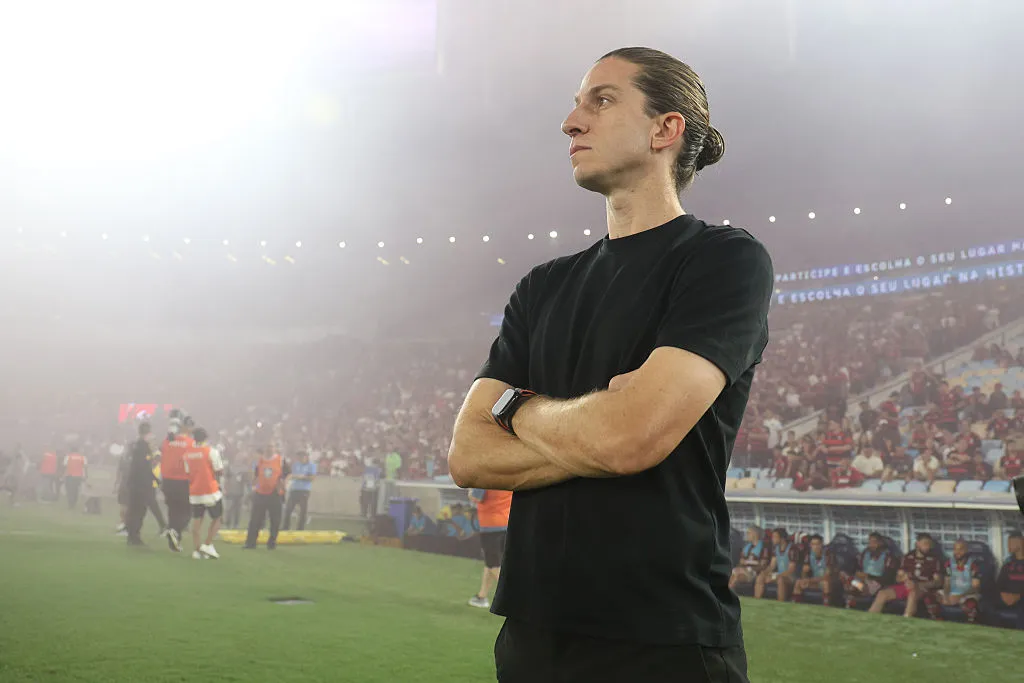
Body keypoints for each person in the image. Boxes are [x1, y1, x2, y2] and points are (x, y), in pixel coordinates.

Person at [448, 47, 770, 682]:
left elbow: (629, 439)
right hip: (531, 635)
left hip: (663, 639)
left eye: (601, 100)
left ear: (665, 129)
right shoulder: (541, 286)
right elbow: (469, 456)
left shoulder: (723, 260)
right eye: (576, 104)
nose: (572, 121)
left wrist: (515, 409)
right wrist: (602, 428)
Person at [869, 533, 944, 617]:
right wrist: (903, 578)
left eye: (929, 545)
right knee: (882, 593)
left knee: (913, 593)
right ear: (917, 544)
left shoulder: (934, 560)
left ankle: (906, 617)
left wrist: (919, 584)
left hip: (922, 588)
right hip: (906, 585)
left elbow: (938, 582)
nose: (927, 547)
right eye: (925, 544)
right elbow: (898, 578)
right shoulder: (908, 557)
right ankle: (870, 617)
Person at [467, 488, 512, 609]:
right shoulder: (509, 477)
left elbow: (476, 497)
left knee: (493, 564)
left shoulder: (486, 478)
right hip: (507, 523)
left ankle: (516, 594)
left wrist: (470, 489)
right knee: (491, 563)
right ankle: (481, 597)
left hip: (491, 525)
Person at [184, 428, 224, 560]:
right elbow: (219, 470)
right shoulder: (211, 451)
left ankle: (196, 551)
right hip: (210, 490)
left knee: (197, 520)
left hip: (195, 491)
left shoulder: (187, 454)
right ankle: (207, 544)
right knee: (217, 518)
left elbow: (188, 472)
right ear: (206, 438)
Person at [159, 415, 195, 552]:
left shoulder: (167, 441)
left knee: (173, 511)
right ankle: (175, 531)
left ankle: (174, 542)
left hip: (167, 481)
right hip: (183, 480)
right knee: (187, 511)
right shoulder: (190, 443)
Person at [244, 446, 289, 550]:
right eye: (268, 447)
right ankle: (250, 543)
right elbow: (256, 475)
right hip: (261, 493)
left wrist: (284, 483)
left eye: (271, 447)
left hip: (275, 493)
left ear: (274, 449)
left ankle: (271, 543)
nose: (269, 449)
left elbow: (288, 473)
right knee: (255, 519)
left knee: (275, 520)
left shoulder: (281, 460)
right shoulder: (260, 461)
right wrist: (254, 487)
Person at [927, 539, 982, 623]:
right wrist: (946, 596)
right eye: (955, 549)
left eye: (960, 549)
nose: (957, 552)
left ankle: (971, 624)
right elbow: (947, 582)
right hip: (952, 592)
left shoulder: (974, 564)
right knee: (931, 598)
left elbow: (975, 587)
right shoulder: (949, 564)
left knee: (971, 603)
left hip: (967, 593)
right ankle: (937, 621)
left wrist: (959, 596)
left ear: (966, 550)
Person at [124, 423, 159, 546]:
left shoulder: (134, 445)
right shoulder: (144, 447)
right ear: (147, 433)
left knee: (134, 510)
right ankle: (134, 536)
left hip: (133, 482)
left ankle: (132, 536)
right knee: (139, 510)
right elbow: (144, 467)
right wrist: (155, 479)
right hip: (141, 483)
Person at [792, 534, 838, 605]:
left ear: (822, 544)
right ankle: (796, 606)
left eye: (818, 544)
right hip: (815, 581)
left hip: (830, 582)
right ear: (810, 545)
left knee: (826, 583)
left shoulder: (828, 554)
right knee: (798, 582)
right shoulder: (808, 554)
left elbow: (827, 576)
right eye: (813, 544)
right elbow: (804, 571)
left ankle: (826, 607)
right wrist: (805, 579)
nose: (815, 547)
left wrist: (810, 580)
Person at [282, 451, 315, 531]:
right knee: (288, 509)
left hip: (304, 490)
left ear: (306, 456)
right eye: (299, 456)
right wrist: (287, 482)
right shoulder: (295, 465)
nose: (300, 458)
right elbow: (291, 475)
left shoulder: (311, 465)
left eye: (302, 456)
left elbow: (312, 478)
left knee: (303, 511)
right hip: (294, 489)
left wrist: (301, 477)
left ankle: (300, 529)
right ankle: (285, 527)